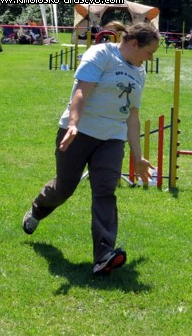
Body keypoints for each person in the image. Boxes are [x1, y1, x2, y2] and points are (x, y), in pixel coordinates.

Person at [22, 21, 161, 275]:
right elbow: (80, 93)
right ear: (133, 44)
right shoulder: (101, 54)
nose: (150, 58)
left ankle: (104, 255)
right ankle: (37, 208)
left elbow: (132, 116)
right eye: (149, 52)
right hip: (78, 132)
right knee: (65, 188)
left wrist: (138, 157)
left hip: (112, 138)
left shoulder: (139, 72)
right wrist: (73, 125)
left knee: (105, 191)